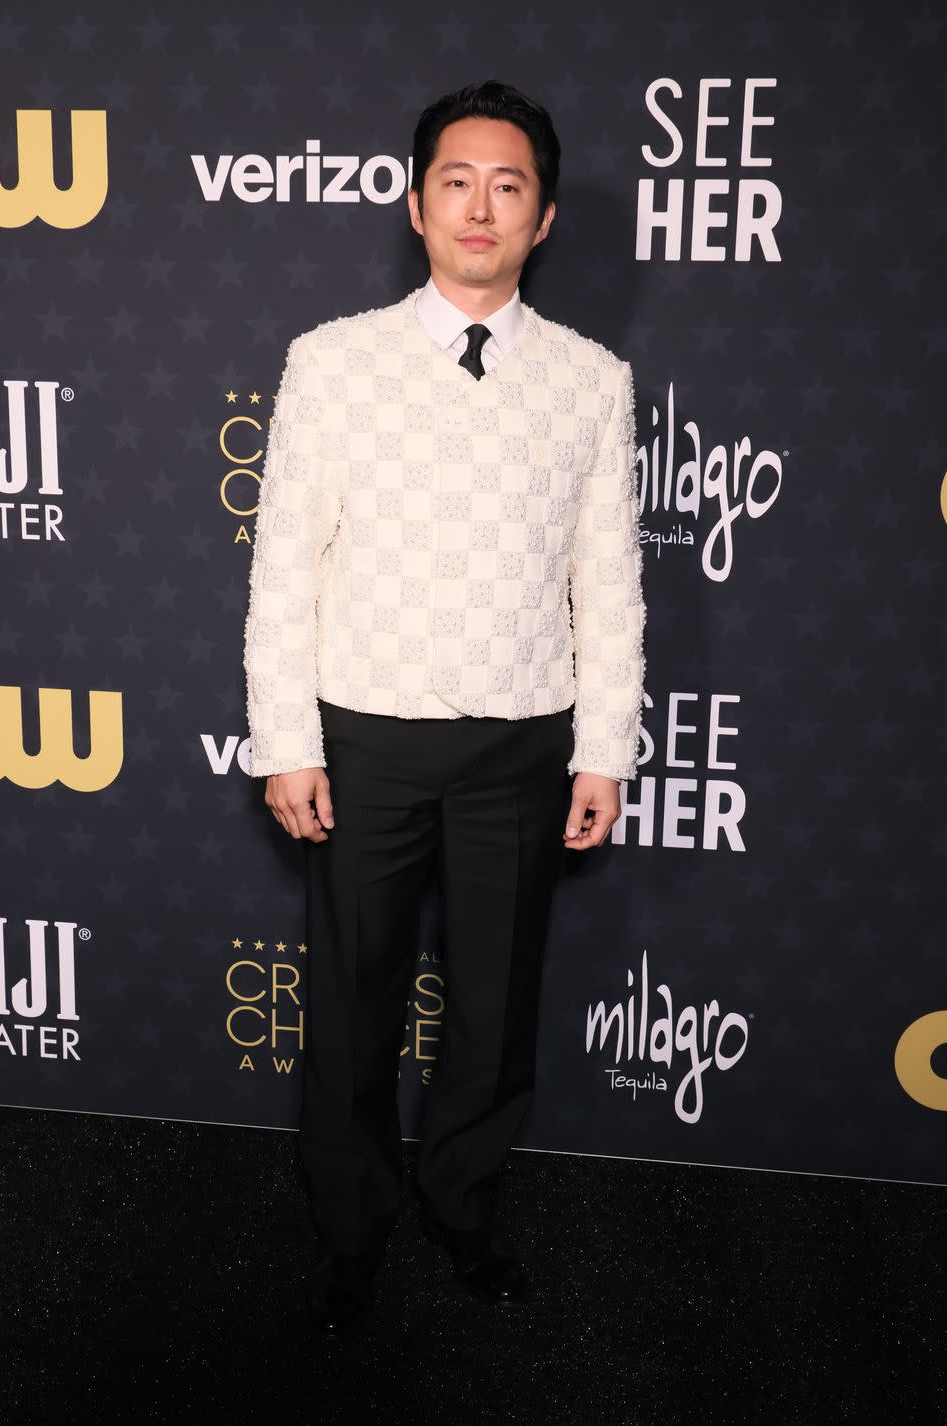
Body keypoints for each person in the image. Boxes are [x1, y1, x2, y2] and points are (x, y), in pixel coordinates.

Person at [243, 79, 646, 1334]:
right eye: (457, 183)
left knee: (494, 1004)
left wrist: (604, 753)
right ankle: (352, 1227)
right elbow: (282, 567)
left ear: (546, 218)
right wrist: (287, 740)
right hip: (362, 742)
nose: (482, 207)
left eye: (509, 186)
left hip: (522, 745)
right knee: (352, 1004)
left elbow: (612, 584)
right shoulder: (333, 359)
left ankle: (463, 1207)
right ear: (417, 206)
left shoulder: (592, 380)